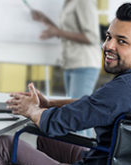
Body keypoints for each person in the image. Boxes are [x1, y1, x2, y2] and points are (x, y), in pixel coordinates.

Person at [0, 3, 131, 165]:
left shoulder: (123, 89)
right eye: (108, 37)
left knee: (5, 145)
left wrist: (32, 110)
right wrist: (49, 104)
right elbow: (94, 105)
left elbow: (56, 123)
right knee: (47, 139)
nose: (108, 45)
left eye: (122, 41)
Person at [31, 0, 101, 137]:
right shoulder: (69, 2)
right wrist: (45, 20)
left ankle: (81, 156)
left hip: (84, 62)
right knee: (78, 115)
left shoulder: (83, 2)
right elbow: (67, 32)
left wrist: (57, 31)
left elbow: (92, 37)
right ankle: (85, 154)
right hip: (71, 63)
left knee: (78, 117)